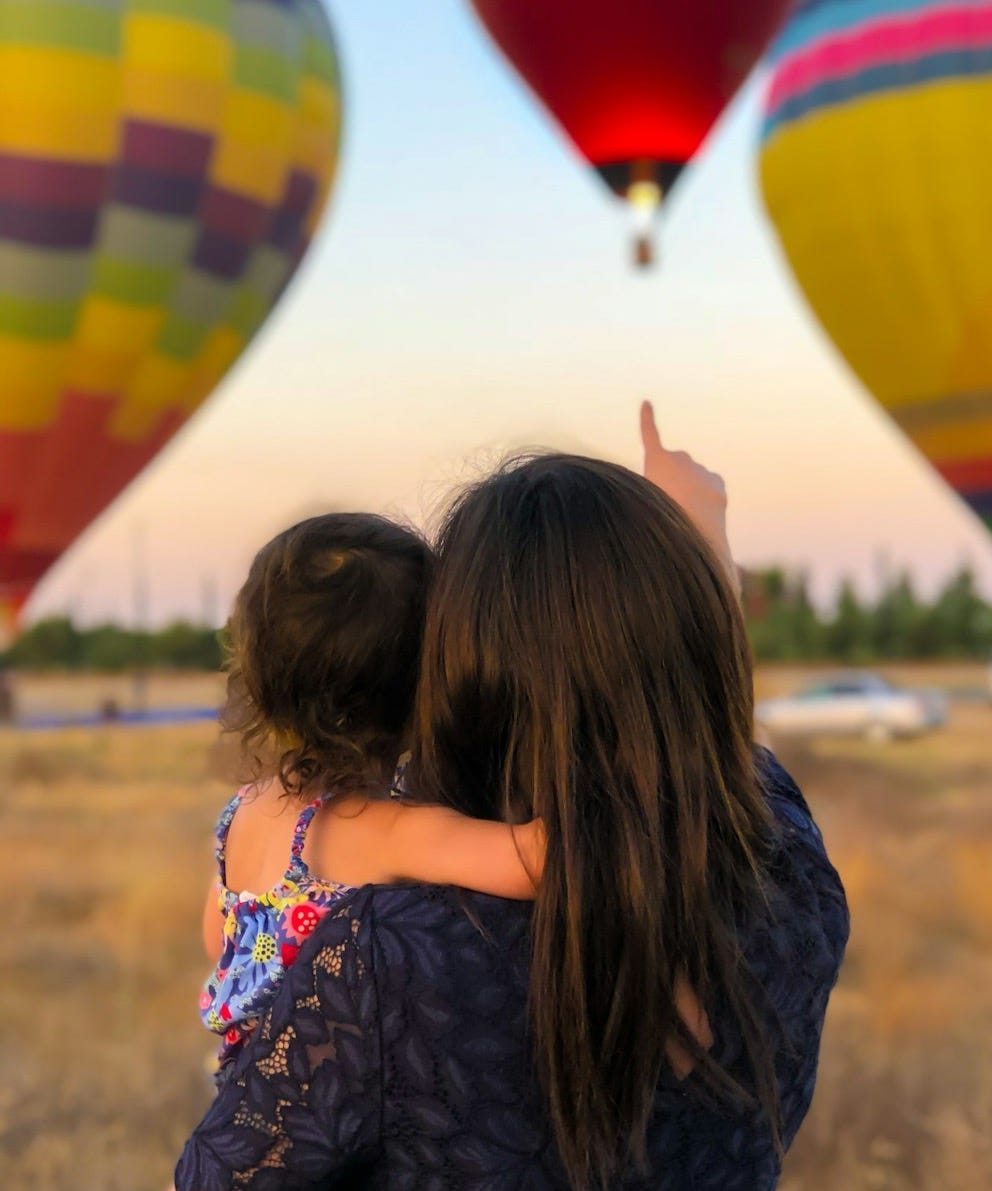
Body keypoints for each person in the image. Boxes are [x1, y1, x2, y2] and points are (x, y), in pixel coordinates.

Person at [176, 406, 849, 1189]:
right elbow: (695, 738)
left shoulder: (381, 959)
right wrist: (693, 539)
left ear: (462, 680)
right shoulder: (783, 864)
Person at [200, 512, 543, 1072]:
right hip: (338, 1130)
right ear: (431, 677)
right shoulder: (392, 832)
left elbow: (221, 941)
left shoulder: (244, 810)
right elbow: (543, 859)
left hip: (247, 1105)